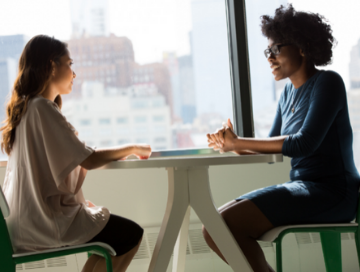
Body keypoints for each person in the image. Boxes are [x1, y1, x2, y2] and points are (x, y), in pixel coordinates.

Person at [204, 4, 360, 272]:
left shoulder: (328, 83)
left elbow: (303, 143)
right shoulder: (286, 94)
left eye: (275, 49)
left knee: (223, 227)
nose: (269, 58)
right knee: (213, 228)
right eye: (268, 51)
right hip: (303, 188)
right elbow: (271, 153)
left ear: (301, 46)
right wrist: (228, 145)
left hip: (335, 193)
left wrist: (238, 142)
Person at [1, 35, 152, 272]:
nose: (74, 73)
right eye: (69, 64)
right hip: (43, 223)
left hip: (22, 223)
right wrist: (133, 148)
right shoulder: (41, 108)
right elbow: (88, 159)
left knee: (107, 243)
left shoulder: (26, 109)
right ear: (52, 66)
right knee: (131, 235)